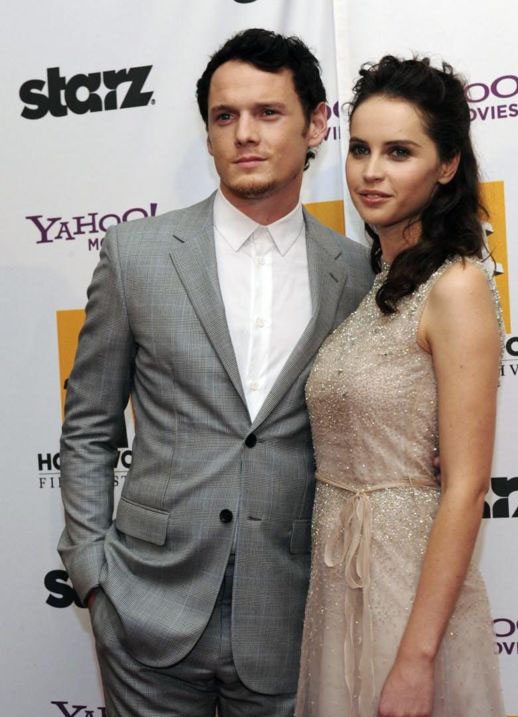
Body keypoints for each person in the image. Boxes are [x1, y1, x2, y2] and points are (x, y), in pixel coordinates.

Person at [57, 29, 373, 717]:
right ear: (207, 132)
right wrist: (91, 570)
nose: (244, 134)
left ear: (317, 123)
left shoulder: (355, 273)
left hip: (290, 617)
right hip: (144, 610)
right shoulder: (136, 254)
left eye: (268, 112)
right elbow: (88, 425)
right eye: (225, 116)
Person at [295, 56, 505, 717]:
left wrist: (416, 659)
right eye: (360, 149)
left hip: (408, 589)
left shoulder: (457, 285)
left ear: (447, 165)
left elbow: (466, 485)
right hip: (340, 581)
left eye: (399, 152)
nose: (371, 171)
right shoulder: (377, 284)